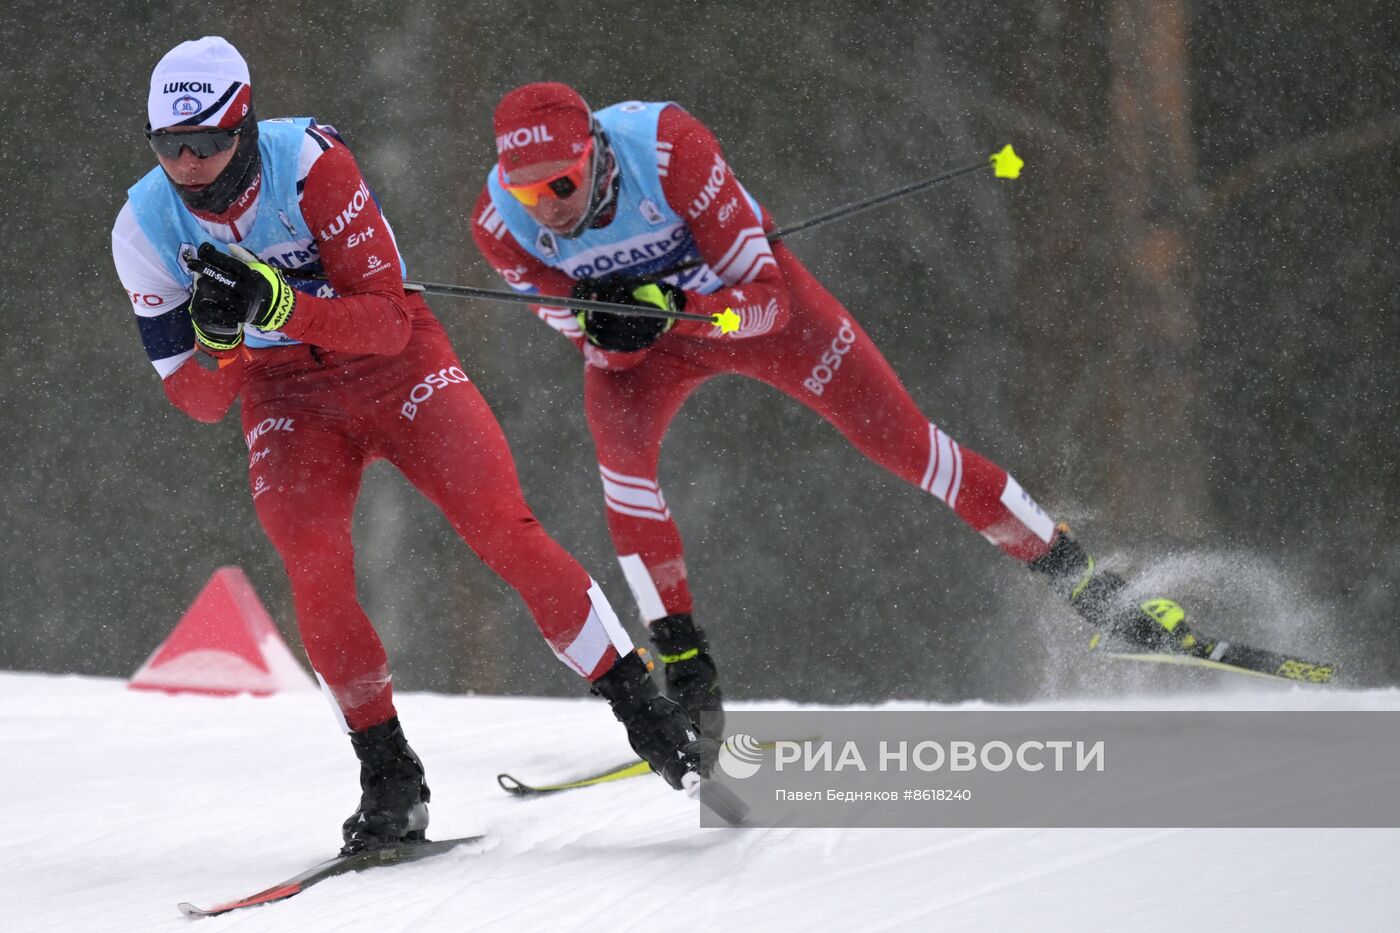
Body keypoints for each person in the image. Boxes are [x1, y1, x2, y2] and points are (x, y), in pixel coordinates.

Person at [112, 40, 717, 855]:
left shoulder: (311, 165)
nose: (187, 166)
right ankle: (389, 774)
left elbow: (386, 320)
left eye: (207, 144)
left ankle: (641, 703)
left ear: (245, 124)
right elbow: (197, 400)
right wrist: (219, 342)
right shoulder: (142, 225)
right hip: (286, 396)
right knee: (312, 565)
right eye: (168, 147)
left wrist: (282, 301)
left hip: (396, 367)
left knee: (501, 526)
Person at [470, 83, 1204, 739]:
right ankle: (687, 673)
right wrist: (612, 332)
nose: (549, 208)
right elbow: (592, 344)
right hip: (657, 345)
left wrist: (680, 309)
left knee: (912, 449)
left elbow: (766, 302)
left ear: (596, 154)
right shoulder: (499, 226)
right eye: (527, 192)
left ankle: (1098, 595)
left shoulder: (666, 148)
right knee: (623, 475)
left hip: (741, 313)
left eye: (559, 185)